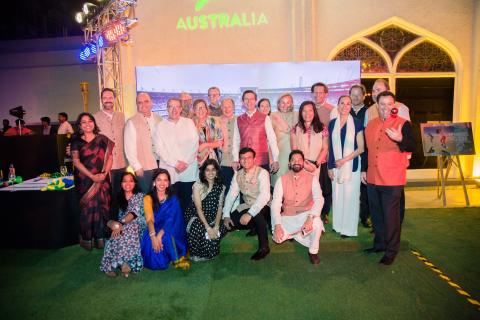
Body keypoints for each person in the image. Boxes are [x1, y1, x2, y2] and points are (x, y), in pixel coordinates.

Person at [362, 91, 415, 266]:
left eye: (389, 104)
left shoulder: (403, 124)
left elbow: (412, 145)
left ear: (395, 106)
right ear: (377, 105)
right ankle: (379, 244)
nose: (385, 108)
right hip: (372, 177)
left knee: (391, 217)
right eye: (382, 104)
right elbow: (368, 151)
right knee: (376, 215)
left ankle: (391, 251)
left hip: (392, 179)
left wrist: (400, 139)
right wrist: (364, 170)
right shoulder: (371, 124)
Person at [365, 79, 411, 224]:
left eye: (378, 89)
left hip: (394, 169)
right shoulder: (369, 111)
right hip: (376, 169)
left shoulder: (401, 108)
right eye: (373, 90)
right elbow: (369, 143)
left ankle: (397, 224)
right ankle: (380, 236)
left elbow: (408, 139)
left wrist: (406, 158)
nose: (375, 93)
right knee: (378, 207)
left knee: (394, 206)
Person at [271, 150, 324, 264]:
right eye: (293, 160)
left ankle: (313, 251)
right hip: (288, 217)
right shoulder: (281, 180)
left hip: (306, 215)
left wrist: (310, 217)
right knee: (277, 238)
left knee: (317, 223)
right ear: (289, 163)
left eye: (299, 160)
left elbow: (319, 199)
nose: (296, 162)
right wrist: (277, 225)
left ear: (303, 162)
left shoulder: (312, 178)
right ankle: (298, 235)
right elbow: (275, 204)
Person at [71, 112, 114, 251]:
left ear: (94, 123)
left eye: (90, 121)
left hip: (102, 180)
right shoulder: (76, 141)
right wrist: (92, 176)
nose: (87, 124)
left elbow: (110, 158)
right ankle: (88, 239)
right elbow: (76, 162)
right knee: (87, 211)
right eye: (83, 122)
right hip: (85, 181)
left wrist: (104, 174)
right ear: (79, 125)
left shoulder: (103, 139)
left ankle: (103, 238)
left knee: (103, 208)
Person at [223, 147, 271, 260]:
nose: (245, 160)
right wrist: (226, 215)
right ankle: (254, 226)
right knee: (231, 223)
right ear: (239, 160)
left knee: (257, 215)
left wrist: (249, 214)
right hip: (247, 205)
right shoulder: (237, 175)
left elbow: (265, 196)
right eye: (242, 158)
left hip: (265, 206)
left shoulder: (263, 173)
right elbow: (231, 195)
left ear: (254, 159)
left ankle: (264, 247)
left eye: (249, 157)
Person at [328, 95, 364, 238]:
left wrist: (344, 160)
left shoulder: (357, 122)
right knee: (337, 196)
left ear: (351, 107)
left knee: (350, 197)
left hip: (351, 166)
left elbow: (361, 148)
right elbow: (330, 147)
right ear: (338, 105)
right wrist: (329, 167)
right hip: (336, 166)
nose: (344, 106)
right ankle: (338, 225)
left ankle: (348, 229)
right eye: (342, 103)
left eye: (348, 104)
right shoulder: (332, 123)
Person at [153, 98, 199, 211]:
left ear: (181, 108)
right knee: (172, 204)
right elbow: (160, 150)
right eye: (171, 107)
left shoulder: (188, 122)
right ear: (167, 108)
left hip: (188, 170)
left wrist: (185, 163)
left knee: (188, 202)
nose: (174, 110)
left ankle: (188, 227)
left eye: (177, 106)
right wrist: (176, 163)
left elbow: (195, 143)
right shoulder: (160, 126)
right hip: (170, 171)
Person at [140, 169, 190, 270]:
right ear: (154, 182)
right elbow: (149, 219)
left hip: (170, 227)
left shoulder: (173, 199)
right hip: (153, 228)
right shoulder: (148, 198)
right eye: (159, 180)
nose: (162, 183)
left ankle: (175, 256)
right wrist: (153, 236)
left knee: (166, 237)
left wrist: (159, 235)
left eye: (165, 180)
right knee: (153, 253)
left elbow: (171, 220)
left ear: (168, 183)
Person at [100, 172, 146, 277]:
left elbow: (134, 213)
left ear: (135, 183)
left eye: (131, 181)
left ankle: (123, 263)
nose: (128, 183)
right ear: (121, 184)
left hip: (138, 223)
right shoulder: (118, 197)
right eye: (124, 181)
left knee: (129, 228)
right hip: (121, 223)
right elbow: (111, 214)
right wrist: (115, 225)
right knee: (119, 232)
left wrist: (120, 224)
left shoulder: (139, 196)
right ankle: (117, 264)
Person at [184, 159, 227, 261]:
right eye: (207, 170)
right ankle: (196, 253)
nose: (210, 172)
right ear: (203, 172)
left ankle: (210, 247)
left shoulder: (221, 187)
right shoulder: (197, 186)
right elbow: (198, 209)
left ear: (217, 172)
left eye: (213, 170)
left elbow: (220, 208)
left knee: (221, 228)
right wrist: (208, 228)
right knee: (198, 227)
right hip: (197, 215)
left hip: (212, 215)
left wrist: (216, 227)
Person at [94, 88, 127, 210]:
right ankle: (110, 224)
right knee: (108, 197)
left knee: (121, 194)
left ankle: (121, 222)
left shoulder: (121, 116)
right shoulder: (95, 118)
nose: (108, 100)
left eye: (110, 98)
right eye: (105, 98)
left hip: (122, 163)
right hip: (105, 165)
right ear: (101, 100)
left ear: (114, 99)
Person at [232, 90, 279, 173]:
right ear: (242, 102)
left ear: (256, 101)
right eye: (246, 99)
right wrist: (235, 159)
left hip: (261, 160)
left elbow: (272, 139)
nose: (249, 101)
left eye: (251, 99)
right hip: (244, 161)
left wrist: (275, 159)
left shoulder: (265, 118)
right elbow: (236, 141)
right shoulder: (238, 119)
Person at [124, 92, 162, 193]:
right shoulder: (132, 122)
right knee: (146, 197)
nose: (143, 104)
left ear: (151, 103)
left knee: (158, 195)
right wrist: (137, 167)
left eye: (146, 101)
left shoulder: (159, 119)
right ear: (137, 105)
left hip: (161, 164)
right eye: (139, 102)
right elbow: (129, 148)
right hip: (144, 168)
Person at [311, 82, 335, 223]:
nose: (318, 95)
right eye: (315, 92)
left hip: (325, 155)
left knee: (325, 187)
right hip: (310, 156)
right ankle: (312, 212)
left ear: (326, 94)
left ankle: (324, 213)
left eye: (321, 92)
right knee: (312, 186)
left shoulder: (332, 110)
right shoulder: (309, 108)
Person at [349, 84, 371, 228]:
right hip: (348, 155)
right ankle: (349, 219)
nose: (355, 97)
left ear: (364, 96)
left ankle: (365, 217)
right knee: (349, 190)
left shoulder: (369, 112)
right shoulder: (345, 111)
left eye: (358, 94)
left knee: (364, 190)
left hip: (365, 154)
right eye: (353, 94)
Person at [290, 101, 328, 177]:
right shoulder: (295, 128)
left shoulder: (322, 128)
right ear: (301, 113)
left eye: (310, 110)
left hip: (316, 166)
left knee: (314, 187)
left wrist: (316, 164)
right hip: (300, 166)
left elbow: (325, 148)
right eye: (304, 111)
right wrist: (304, 164)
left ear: (314, 112)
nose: (307, 114)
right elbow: (294, 150)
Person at [270, 93, 298, 184]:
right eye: (282, 102)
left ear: (292, 104)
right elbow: (269, 140)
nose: (285, 105)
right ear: (278, 104)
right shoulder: (272, 116)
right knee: (278, 183)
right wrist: (272, 160)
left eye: (288, 102)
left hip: (295, 154)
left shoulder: (298, 115)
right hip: (279, 155)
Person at [192, 99, 223, 166]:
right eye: (198, 108)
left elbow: (220, 142)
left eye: (202, 107)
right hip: (196, 160)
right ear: (194, 111)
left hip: (214, 158)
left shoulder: (214, 121)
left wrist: (205, 145)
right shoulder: (191, 124)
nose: (200, 110)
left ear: (206, 109)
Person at [219, 98, 236, 193]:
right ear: (221, 108)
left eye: (229, 106)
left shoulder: (240, 120)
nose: (227, 109)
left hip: (238, 162)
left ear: (233, 107)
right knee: (225, 191)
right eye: (224, 107)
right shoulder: (216, 121)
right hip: (223, 163)